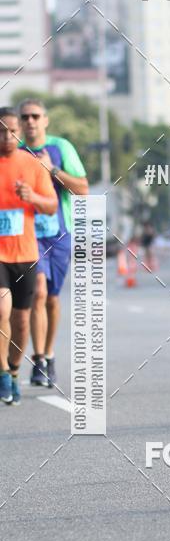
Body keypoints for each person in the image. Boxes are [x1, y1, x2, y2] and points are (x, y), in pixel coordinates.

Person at [18, 98, 88, 388]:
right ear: (20, 123)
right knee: (39, 293)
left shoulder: (61, 148)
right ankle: (39, 360)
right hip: (27, 234)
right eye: (25, 117)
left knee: (53, 298)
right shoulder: (15, 151)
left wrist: (52, 170)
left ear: (45, 120)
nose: (31, 121)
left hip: (59, 232)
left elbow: (83, 189)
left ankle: (48, 353)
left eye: (36, 116)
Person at [0, 108, 57, 404]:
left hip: (25, 251)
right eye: (1, 131)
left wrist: (31, 197)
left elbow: (50, 205)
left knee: (21, 321)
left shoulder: (32, 164)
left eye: (12, 131)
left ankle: (13, 371)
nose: (7, 137)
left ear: (19, 133)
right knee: (1, 311)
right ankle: (1, 374)